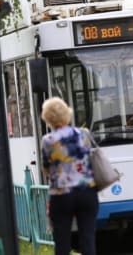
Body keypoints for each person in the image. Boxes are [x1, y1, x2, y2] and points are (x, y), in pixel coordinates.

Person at [40, 97, 98, 255]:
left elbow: (46, 168)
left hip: (62, 195)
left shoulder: (48, 140)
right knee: (88, 238)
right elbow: (92, 157)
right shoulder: (83, 134)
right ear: (67, 113)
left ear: (47, 117)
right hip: (87, 192)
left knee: (62, 240)